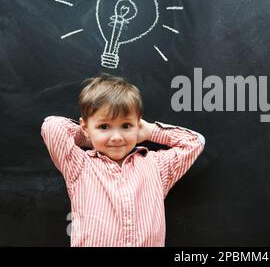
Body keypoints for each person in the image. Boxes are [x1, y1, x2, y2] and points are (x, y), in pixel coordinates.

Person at [41, 73, 205, 247]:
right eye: (104, 126)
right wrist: (89, 137)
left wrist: (149, 131)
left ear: (138, 124)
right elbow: (51, 127)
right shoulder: (78, 165)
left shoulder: (157, 166)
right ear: (85, 126)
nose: (117, 137)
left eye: (126, 126)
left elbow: (194, 142)